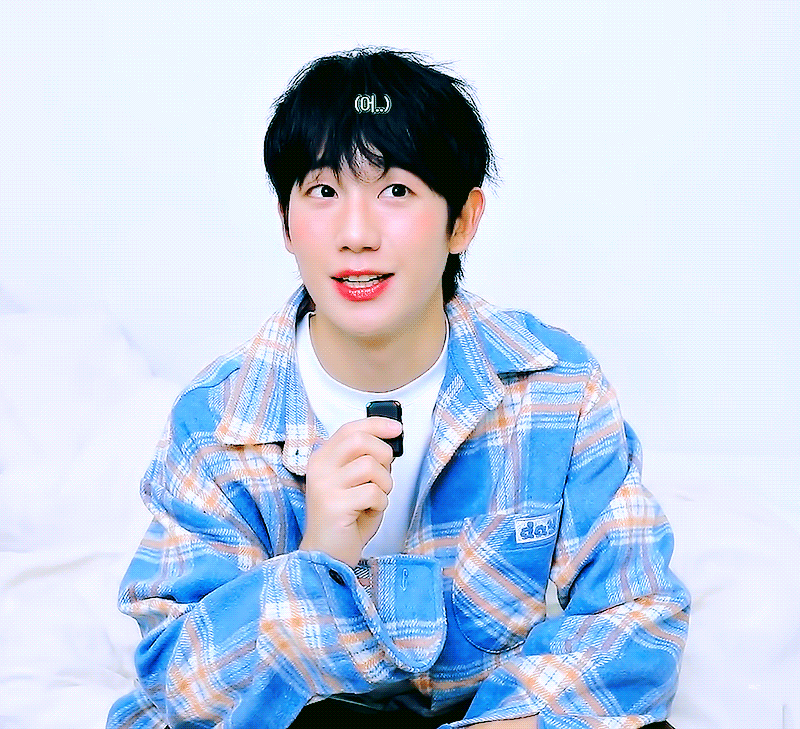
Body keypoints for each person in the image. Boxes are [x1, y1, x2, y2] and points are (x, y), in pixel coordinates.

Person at [108, 49, 689, 729]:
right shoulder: (217, 423)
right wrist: (316, 560)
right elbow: (181, 687)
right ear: (286, 221)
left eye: (396, 191)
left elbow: (639, 612)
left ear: (462, 220)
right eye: (323, 192)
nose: (356, 236)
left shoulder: (555, 386)